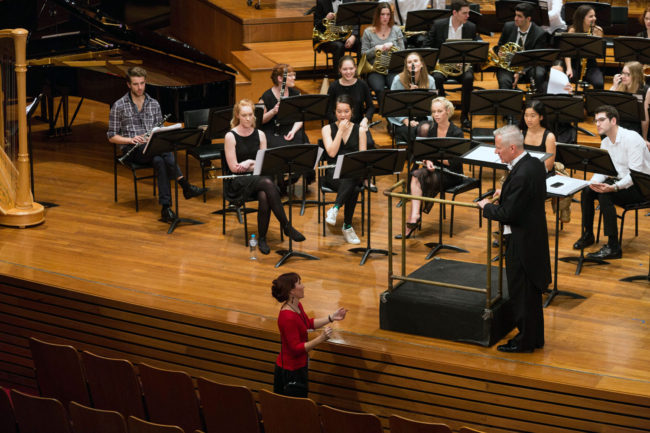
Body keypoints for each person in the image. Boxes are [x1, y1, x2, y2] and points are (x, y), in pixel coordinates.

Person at [477, 125, 551, 353]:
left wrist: (487, 207)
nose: (495, 152)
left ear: (512, 147)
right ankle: (534, 337)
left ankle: (525, 342)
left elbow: (508, 214)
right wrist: (505, 194)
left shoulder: (522, 173)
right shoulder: (534, 164)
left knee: (522, 295)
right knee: (531, 296)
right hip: (534, 238)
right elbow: (523, 197)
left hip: (522, 243)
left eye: (498, 148)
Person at [107, 66, 207, 222]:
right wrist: (130, 140)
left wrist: (157, 135)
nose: (140, 88)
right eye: (135, 84)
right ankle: (184, 184)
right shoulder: (118, 106)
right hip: (131, 150)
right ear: (128, 84)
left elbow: (159, 130)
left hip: (151, 148)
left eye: (142, 83)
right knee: (163, 153)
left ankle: (166, 208)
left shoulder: (154, 104)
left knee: (159, 160)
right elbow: (111, 136)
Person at [223, 99, 305, 255]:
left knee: (264, 195)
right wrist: (251, 164)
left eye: (250, 115)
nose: (248, 118)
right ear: (237, 116)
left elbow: (264, 163)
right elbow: (235, 168)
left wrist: (249, 162)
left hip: (258, 177)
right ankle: (286, 226)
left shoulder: (260, 134)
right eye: (244, 115)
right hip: (239, 182)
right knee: (268, 183)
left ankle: (262, 239)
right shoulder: (230, 136)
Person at [573, 105, 650, 259]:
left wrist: (613, 188)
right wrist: (592, 183)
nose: (597, 124)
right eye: (595, 121)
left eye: (601, 120)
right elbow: (603, 171)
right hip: (622, 181)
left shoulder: (632, 138)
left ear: (613, 120)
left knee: (605, 195)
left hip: (643, 186)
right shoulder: (606, 143)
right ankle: (588, 234)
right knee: (588, 191)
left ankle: (613, 247)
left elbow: (635, 175)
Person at [397, 97, 464, 239]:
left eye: (439, 111)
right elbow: (426, 153)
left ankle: (413, 219)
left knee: (422, 179)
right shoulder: (431, 129)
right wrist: (427, 160)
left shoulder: (457, 133)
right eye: (434, 112)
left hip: (452, 174)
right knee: (415, 174)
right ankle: (414, 216)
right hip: (435, 169)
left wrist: (435, 158)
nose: (436, 115)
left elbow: (455, 163)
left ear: (448, 111)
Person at [272, 272, 347, 397]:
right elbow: (295, 349)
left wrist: (331, 317)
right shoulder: (287, 317)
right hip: (290, 371)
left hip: (299, 366)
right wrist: (321, 338)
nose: (303, 286)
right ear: (292, 291)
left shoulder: (296, 305)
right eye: (299, 283)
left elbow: (307, 323)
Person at [322, 95, 368, 244]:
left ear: (352, 111)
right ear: (334, 112)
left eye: (346, 111)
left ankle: (335, 208)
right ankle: (347, 227)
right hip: (333, 172)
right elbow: (331, 153)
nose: (343, 115)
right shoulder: (327, 129)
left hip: (354, 172)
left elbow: (362, 159)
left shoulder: (360, 130)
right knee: (353, 189)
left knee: (353, 174)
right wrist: (340, 131)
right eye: (339, 111)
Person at [425, 0, 478, 128]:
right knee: (436, 78)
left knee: (469, 78)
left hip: (462, 65)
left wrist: (466, 61)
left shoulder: (470, 27)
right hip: (442, 65)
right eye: (464, 13)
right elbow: (427, 45)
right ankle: (444, 110)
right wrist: (437, 60)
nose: (468, 16)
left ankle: (464, 115)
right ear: (455, 12)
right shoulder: (439, 25)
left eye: (468, 13)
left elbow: (475, 49)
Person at [521, 100, 571, 223]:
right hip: (525, 173)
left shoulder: (549, 137)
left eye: (533, 116)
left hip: (543, 176)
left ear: (541, 117)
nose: (529, 119)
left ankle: (530, 223)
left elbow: (548, 166)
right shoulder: (522, 134)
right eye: (526, 115)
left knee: (523, 191)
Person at [495, 2, 547, 93]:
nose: (515, 19)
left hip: (529, 66)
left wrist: (520, 71)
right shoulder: (508, 27)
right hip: (509, 64)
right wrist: (499, 52)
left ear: (528, 19)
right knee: (504, 81)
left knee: (539, 73)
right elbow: (500, 45)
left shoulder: (539, 34)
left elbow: (536, 58)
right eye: (515, 15)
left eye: (519, 16)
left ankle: (534, 102)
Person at [387, 51, 436, 143]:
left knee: (427, 129)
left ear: (421, 64)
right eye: (409, 62)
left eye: (415, 61)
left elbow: (433, 105)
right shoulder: (398, 80)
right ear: (406, 66)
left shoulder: (430, 80)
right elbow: (392, 106)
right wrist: (405, 120)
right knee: (414, 132)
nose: (412, 64)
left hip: (423, 118)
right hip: (402, 120)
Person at [360, 2, 405, 102]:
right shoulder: (368, 32)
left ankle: (394, 114)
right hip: (375, 70)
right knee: (379, 89)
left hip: (392, 69)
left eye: (388, 14)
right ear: (377, 15)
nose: (385, 17)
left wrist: (393, 45)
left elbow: (403, 52)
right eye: (382, 14)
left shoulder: (396, 30)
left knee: (395, 86)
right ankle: (386, 114)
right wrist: (375, 49)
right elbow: (363, 55)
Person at [327, 55, 375, 147]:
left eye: (351, 68)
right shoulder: (334, 86)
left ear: (355, 68)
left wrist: (365, 120)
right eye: (345, 69)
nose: (348, 72)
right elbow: (328, 112)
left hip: (358, 124)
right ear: (339, 70)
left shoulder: (362, 84)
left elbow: (371, 107)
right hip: (339, 125)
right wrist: (340, 123)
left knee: (369, 143)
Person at [259, 64, 309, 149]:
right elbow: (260, 120)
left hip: (292, 127)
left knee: (303, 144)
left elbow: (300, 118)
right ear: (280, 78)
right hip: (273, 130)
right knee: (281, 147)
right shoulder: (266, 96)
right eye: (290, 75)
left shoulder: (296, 93)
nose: (294, 78)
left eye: (294, 75)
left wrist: (293, 131)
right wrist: (273, 112)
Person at [313, 0, 360, 72]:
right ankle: (339, 78)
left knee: (361, 43)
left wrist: (353, 36)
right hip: (328, 39)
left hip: (346, 37)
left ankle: (361, 76)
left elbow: (356, 21)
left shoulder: (350, 1)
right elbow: (316, 25)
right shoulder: (321, 2)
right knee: (339, 46)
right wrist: (326, 19)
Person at [565, 5, 604, 90]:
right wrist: (569, 68)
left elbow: (598, 53)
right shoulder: (573, 30)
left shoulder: (598, 30)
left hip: (590, 64)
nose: (594, 18)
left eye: (594, 16)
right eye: (591, 16)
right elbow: (566, 53)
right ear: (582, 18)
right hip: (574, 64)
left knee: (599, 83)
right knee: (566, 79)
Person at [609, 61, 650, 138]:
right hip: (619, 123)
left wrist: (644, 138)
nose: (623, 76)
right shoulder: (619, 85)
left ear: (636, 76)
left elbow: (645, 118)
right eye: (622, 73)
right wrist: (614, 86)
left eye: (627, 74)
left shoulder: (646, 91)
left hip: (634, 127)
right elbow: (607, 106)